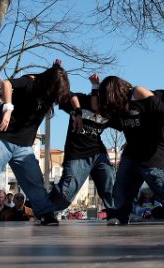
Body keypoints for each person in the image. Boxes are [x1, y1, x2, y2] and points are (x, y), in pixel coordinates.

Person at [0, 60, 70, 227]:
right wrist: (7, 109)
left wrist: (57, 69)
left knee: (34, 179)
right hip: (1, 136)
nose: (54, 98)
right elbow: (6, 84)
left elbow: (69, 96)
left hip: (23, 145)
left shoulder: (52, 93)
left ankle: (44, 212)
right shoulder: (30, 82)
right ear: (47, 84)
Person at [97, 76, 164, 225]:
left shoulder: (137, 92)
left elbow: (160, 108)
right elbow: (117, 123)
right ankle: (121, 214)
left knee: (158, 182)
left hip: (152, 148)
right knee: (122, 182)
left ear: (115, 92)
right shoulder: (118, 106)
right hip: (133, 149)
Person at [50, 74, 118, 219]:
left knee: (109, 183)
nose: (98, 110)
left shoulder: (109, 112)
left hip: (98, 153)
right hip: (77, 154)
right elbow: (66, 94)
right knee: (67, 191)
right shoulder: (80, 100)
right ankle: (47, 210)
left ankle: (115, 213)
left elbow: (127, 122)